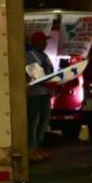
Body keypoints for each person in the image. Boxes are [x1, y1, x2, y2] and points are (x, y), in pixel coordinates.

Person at [26, 32, 55, 162]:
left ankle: (37, 147)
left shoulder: (43, 55)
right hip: (35, 94)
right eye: (43, 41)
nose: (45, 43)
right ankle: (31, 150)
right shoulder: (29, 55)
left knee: (43, 122)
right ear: (35, 42)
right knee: (34, 122)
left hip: (45, 93)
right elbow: (35, 73)